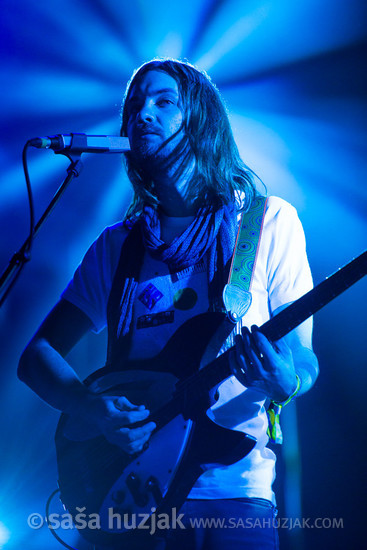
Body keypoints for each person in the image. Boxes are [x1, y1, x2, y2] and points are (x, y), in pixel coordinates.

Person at [18, 59, 319, 550]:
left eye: (163, 102)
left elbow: (303, 358)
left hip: (233, 495)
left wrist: (288, 380)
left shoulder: (266, 224)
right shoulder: (118, 246)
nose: (143, 115)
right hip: (131, 495)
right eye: (135, 105)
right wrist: (89, 407)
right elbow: (36, 358)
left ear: (200, 120)